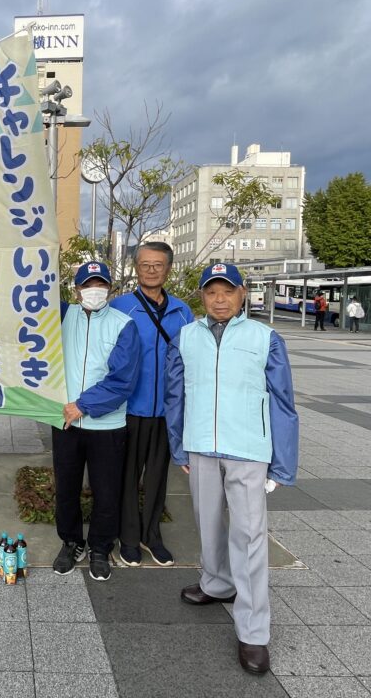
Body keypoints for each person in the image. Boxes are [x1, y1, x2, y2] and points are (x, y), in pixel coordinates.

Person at [166, 262, 299, 675]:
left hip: (248, 450)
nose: (219, 300)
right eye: (211, 292)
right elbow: (175, 394)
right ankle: (217, 584)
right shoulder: (186, 336)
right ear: (201, 297)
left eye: (228, 291)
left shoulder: (266, 339)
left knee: (250, 537)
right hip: (201, 446)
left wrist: (282, 463)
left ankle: (254, 633)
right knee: (207, 524)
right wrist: (180, 447)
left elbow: (282, 401)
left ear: (243, 294)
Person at [52, 261, 141, 582]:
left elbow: (123, 381)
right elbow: (30, 296)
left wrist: (83, 405)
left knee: (106, 492)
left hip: (107, 426)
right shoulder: (60, 316)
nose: (94, 290)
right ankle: (72, 542)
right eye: (87, 284)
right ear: (76, 290)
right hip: (66, 423)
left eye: (100, 284)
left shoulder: (123, 324)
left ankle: (100, 548)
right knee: (66, 489)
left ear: (110, 288)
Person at [110, 241, 193, 567]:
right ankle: (128, 538)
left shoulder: (182, 311)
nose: (151, 269)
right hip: (128, 408)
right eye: (145, 264)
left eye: (158, 264)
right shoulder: (119, 307)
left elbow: (191, 360)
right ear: (135, 268)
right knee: (127, 477)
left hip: (167, 412)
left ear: (168, 268)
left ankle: (151, 535)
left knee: (159, 476)